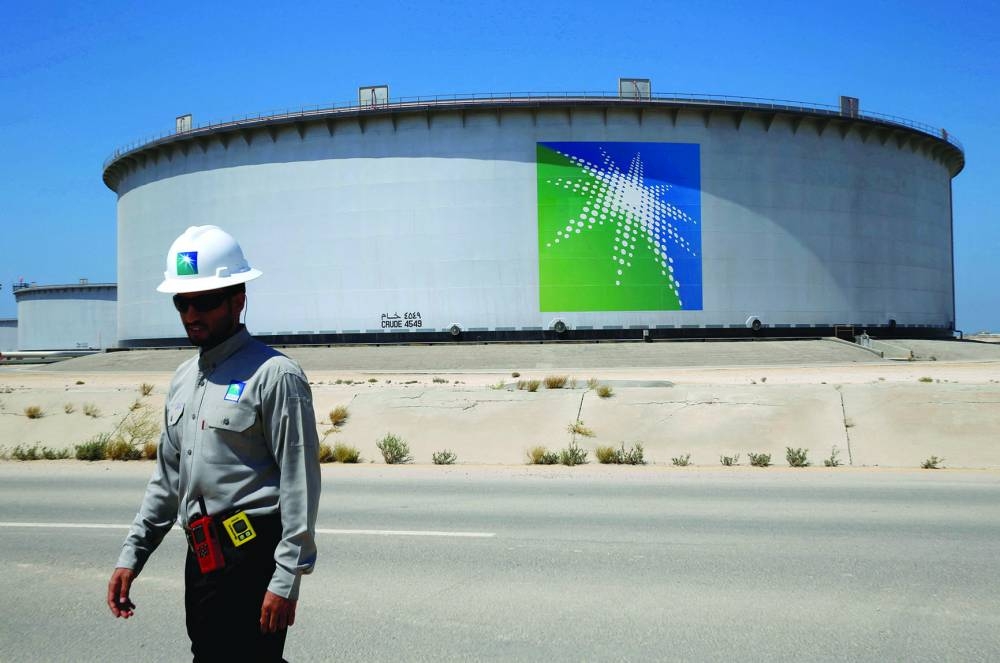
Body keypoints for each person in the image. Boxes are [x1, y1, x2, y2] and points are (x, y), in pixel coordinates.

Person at [107, 225, 321, 662]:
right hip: (202, 554)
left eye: (204, 301)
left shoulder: (275, 375)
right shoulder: (184, 379)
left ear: (237, 299)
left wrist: (285, 579)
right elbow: (167, 479)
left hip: (253, 554)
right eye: (182, 302)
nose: (190, 314)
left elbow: (300, 485)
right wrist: (133, 554)